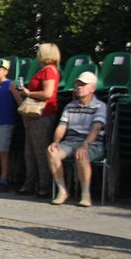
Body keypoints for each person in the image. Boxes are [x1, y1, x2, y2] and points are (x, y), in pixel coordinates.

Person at [47, 71, 106, 207]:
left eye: (83, 85)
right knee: (52, 152)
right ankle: (62, 191)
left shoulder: (100, 107)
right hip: (70, 142)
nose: (79, 87)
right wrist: (56, 142)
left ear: (92, 88)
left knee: (82, 155)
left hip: (92, 143)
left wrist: (85, 144)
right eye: (78, 84)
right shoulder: (70, 106)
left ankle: (85, 195)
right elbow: (62, 126)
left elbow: (96, 128)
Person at [15, 43, 61, 197]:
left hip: (42, 114)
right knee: (30, 151)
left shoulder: (49, 71)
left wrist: (28, 93)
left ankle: (44, 185)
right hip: (34, 115)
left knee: (40, 151)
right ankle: (30, 183)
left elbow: (48, 94)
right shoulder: (45, 70)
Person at [0, 59, 18, 192]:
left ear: (5, 71)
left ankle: (4, 179)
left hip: (6, 123)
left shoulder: (10, 84)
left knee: (4, 153)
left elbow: (19, 101)